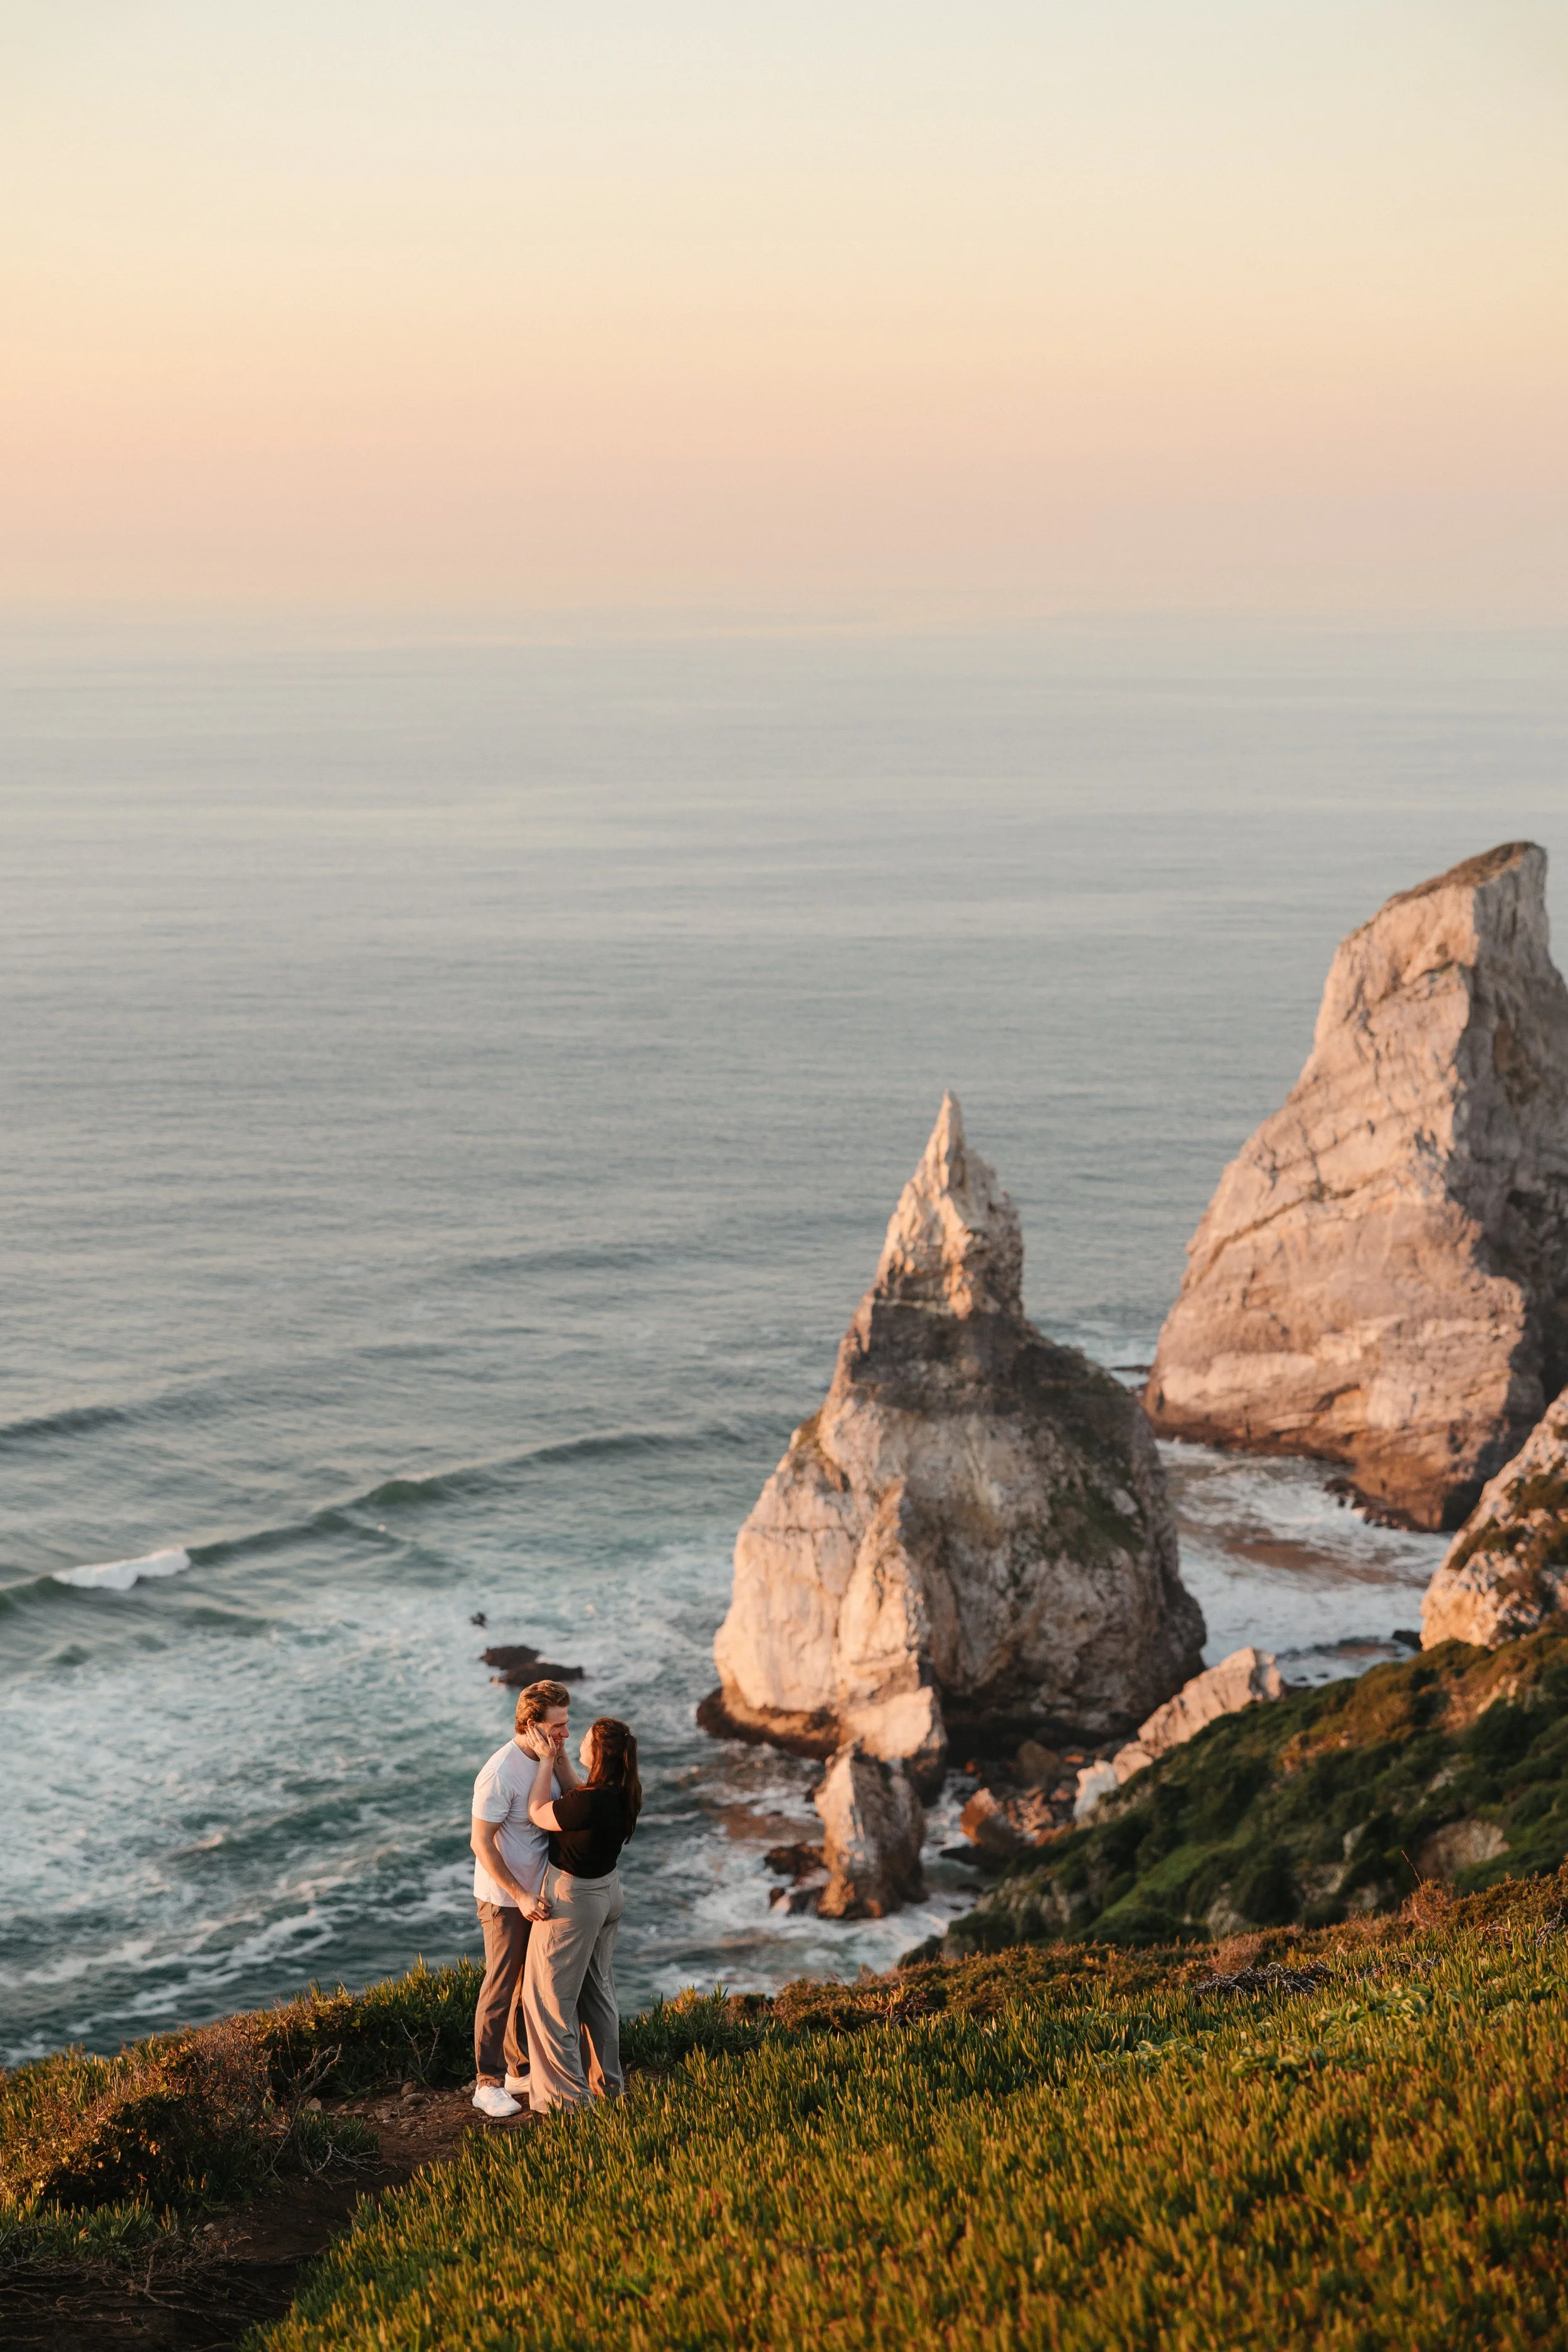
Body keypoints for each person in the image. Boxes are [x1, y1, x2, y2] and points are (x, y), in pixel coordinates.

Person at [468, 1678, 581, 2119]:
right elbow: (481, 1843)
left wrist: (560, 1758)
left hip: (541, 1893)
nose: (566, 1733)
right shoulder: (500, 1772)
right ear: (532, 1725)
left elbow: (575, 1799)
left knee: (526, 1986)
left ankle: (518, 2070)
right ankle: (487, 2082)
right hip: (505, 1898)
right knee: (500, 1985)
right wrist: (520, 1894)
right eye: (559, 1726)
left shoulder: (547, 1756)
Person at [520, 1715, 641, 2113]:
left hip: (574, 1902)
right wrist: (558, 1759)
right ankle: (609, 2089)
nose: (576, 1739)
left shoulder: (590, 1802)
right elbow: (578, 1794)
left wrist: (542, 1762)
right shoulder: (621, 1791)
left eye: (584, 1737)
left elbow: (538, 1811)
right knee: (597, 1993)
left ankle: (566, 2103)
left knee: (548, 2002)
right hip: (608, 1895)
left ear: (599, 1754)